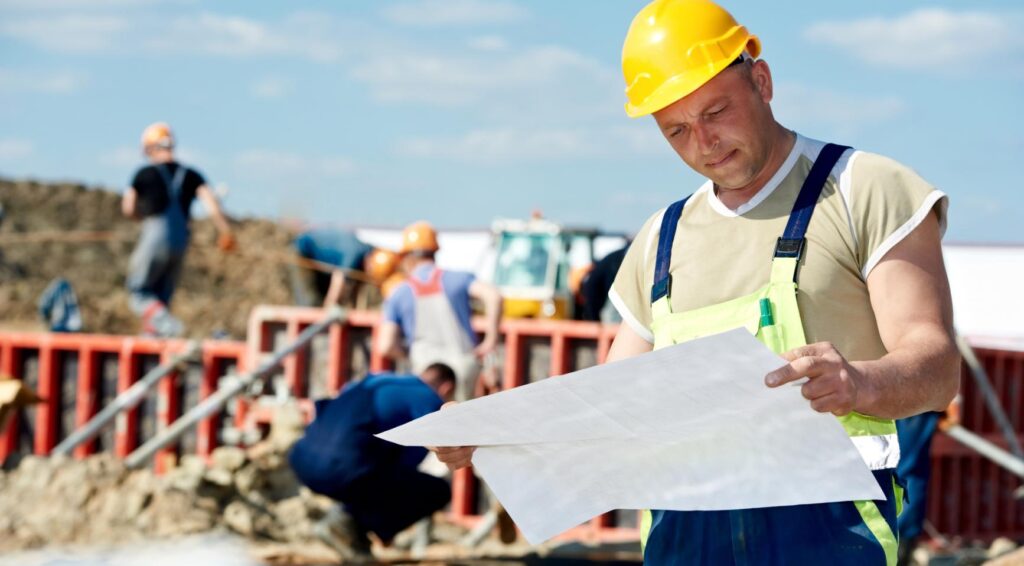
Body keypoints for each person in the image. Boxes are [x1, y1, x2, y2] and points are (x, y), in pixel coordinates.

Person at [435, 1, 961, 563]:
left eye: (716, 111)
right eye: (677, 130)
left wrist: (862, 383)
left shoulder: (863, 190)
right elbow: (610, 405)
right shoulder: (660, 238)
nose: (703, 143)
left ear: (761, 80)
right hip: (681, 535)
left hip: (825, 534)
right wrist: (494, 431)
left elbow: (936, 367)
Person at [288, 363, 457, 561]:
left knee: (369, 467)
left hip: (301, 459)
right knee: (437, 490)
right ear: (446, 388)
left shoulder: (376, 380)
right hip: (342, 469)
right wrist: (387, 524)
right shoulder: (428, 398)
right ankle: (345, 521)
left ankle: (350, 530)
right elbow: (406, 464)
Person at [121, 122, 235, 337]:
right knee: (163, 295)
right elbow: (211, 205)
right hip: (181, 238)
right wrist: (226, 232)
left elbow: (128, 207)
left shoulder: (144, 174)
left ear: (151, 148)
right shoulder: (191, 175)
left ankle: (168, 327)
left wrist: (140, 219)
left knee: (139, 291)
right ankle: (155, 337)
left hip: (155, 235)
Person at [377, 221, 503, 401]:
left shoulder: (398, 293)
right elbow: (494, 296)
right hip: (464, 368)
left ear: (408, 257)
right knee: (462, 423)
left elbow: (386, 345)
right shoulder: (458, 279)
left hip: (424, 372)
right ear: (434, 251)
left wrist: (408, 353)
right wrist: (491, 340)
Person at [292, 228, 399, 308]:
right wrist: (328, 308)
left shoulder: (370, 254)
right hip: (301, 252)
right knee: (310, 301)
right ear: (370, 263)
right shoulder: (353, 254)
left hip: (325, 268)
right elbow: (338, 280)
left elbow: (358, 286)